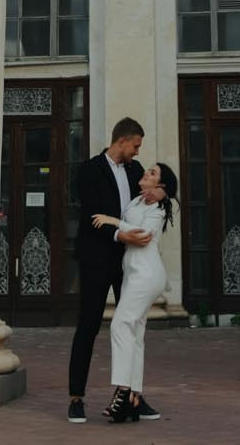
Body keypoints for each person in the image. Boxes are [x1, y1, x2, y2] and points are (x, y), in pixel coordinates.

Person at [68, 118, 151, 423]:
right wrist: (120, 234)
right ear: (122, 141)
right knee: (88, 327)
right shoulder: (89, 170)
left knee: (132, 328)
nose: (138, 151)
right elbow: (91, 214)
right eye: (136, 145)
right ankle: (76, 398)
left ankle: (132, 396)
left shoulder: (135, 171)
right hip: (95, 259)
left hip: (128, 261)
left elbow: (150, 200)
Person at [90, 161, 176, 425]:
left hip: (147, 275)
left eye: (152, 173)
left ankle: (123, 390)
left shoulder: (159, 207)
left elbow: (144, 235)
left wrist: (113, 222)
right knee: (135, 334)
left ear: (160, 185)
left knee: (119, 325)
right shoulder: (139, 201)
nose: (145, 173)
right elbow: (132, 225)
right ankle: (134, 397)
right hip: (133, 273)